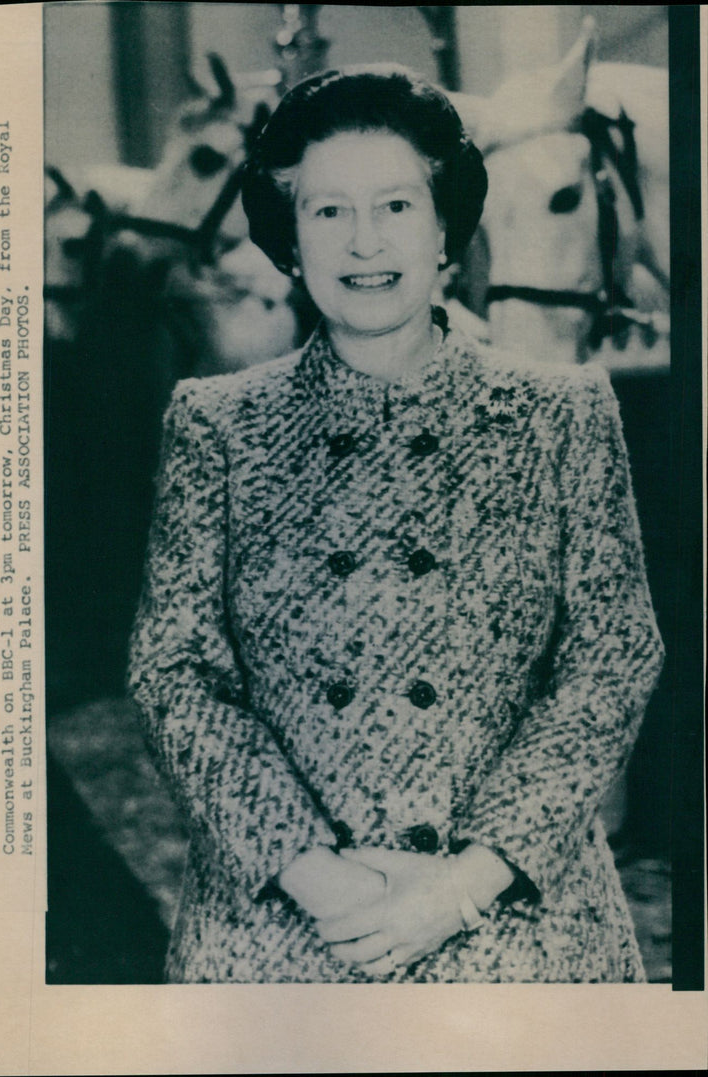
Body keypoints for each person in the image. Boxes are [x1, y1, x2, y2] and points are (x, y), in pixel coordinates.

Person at [127, 64, 664, 983]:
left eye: (397, 206)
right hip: (284, 937)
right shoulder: (214, 424)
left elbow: (613, 656)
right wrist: (318, 876)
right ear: (288, 239)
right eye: (328, 211)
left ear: (449, 224)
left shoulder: (564, 412)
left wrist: (459, 885)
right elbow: (174, 671)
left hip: (520, 926)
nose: (364, 241)